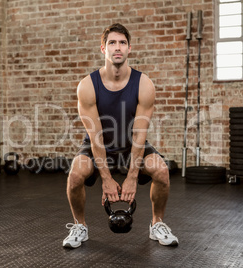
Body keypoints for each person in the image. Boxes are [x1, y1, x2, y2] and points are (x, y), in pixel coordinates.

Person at [63, 23, 178, 249]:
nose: (118, 47)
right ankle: (79, 226)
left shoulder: (144, 84)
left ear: (129, 48)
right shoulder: (87, 86)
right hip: (99, 146)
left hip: (130, 146)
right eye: (112, 43)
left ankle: (157, 224)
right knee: (76, 175)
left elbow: (140, 134)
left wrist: (132, 177)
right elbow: (95, 137)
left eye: (122, 43)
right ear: (103, 49)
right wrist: (106, 179)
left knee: (162, 171)